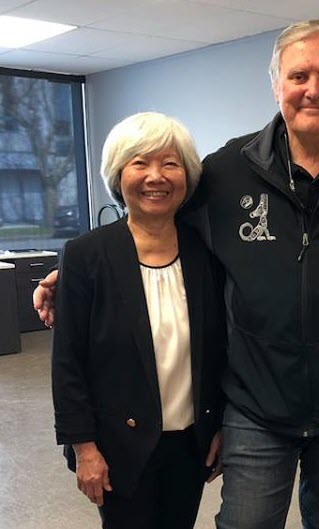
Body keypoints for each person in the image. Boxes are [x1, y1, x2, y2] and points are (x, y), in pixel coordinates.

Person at [36, 20, 319, 529]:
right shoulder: (229, 171)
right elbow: (157, 223)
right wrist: (75, 273)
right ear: (276, 85)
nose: (313, 89)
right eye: (298, 76)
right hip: (255, 405)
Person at [51, 112, 226, 529]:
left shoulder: (206, 253)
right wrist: (84, 448)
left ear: (186, 176)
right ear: (118, 174)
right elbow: (68, 363)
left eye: (170, 164)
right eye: (140, 163)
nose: (155, 176)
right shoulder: (86, 255)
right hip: (118, 446)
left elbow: (221, 350)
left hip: (190, 443)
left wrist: (220, 425)